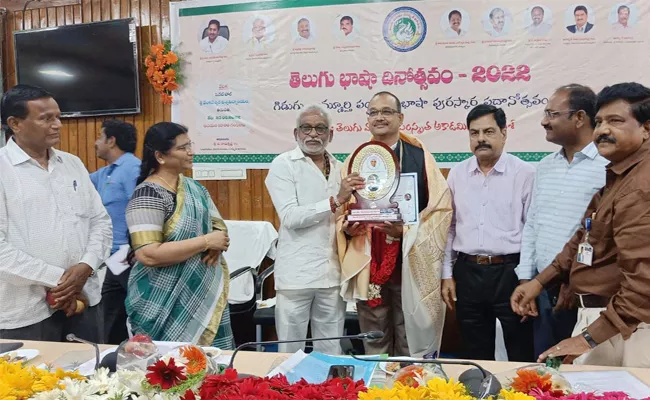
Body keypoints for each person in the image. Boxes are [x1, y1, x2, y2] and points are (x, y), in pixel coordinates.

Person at [511, 82, 650, 367]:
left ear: (646, 129)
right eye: (599, 121)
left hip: (629, 329)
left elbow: (643, 281)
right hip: (606, 323)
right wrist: (539, 281)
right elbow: (583, 239)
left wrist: (586, 339)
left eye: (616, 121)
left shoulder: (640, 187)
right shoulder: (619, 176)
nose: (602, 130)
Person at [337, 91, 452, 357]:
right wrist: (347, 226)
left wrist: (407, 231)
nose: (379, 117)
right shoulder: (355, 158)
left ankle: (408, 387)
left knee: (408, 333)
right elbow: (342, 209)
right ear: (367, 120)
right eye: (373, 112)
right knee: (373, 333)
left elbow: (441, 208)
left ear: (400, 118)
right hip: (369, 259)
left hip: (408, 259)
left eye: (386, 112)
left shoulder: (419, 156)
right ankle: (376, 387)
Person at [0, 84, 112, 342]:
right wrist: (61, 280)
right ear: (15, 123)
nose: (57, 125)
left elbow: (100, 222)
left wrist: (86, 266)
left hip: (84, 300)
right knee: (31, 381)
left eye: (58, 117)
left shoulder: (71, 164)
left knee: (91, 378)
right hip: (24, 312)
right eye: (46, 118)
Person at [516, 84, 608, 359]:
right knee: (546, 368)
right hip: (543, 290)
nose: (544, 121)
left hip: (587, 296)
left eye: (552, 114)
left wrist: (576, 279)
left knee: (583, 374)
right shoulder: (544, 166)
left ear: (579, 118)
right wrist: (527, 280)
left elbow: (604, 235)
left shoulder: (607, 165)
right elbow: (532, 223)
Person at [125, 122, 233, 347]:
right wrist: (205, 242)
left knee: (213, 372)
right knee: (168, 372)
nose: (191, 152)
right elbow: (148, 254)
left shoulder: (195, 189)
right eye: (183, 148)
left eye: (190, 145)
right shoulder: (147, 194)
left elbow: (219, 229)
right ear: (160, 156)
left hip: (201, 294)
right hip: (160, 301)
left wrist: (216, 242)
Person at [265, 106, 363, 354]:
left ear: (330, 135)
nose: (313, 134)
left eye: (320, 129)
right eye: (306, 128)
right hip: (296, 276)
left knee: (330, 350)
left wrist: (350, 227)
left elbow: (341, 218)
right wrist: (336, 201)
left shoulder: (341, 168)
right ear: (296, 133)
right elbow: (290, 217)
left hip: (332, 273)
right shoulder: (283, 165)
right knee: (290, 351)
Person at [441, 104, 536, 362]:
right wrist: (447, 274)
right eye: (474, 133)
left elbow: (531, 230)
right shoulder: (457, 174)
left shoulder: (524, 173)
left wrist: (527, 280)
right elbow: (449, 227)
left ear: (504, 133)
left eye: (489, 131)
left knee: (520, 349)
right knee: (474, 351)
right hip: (467, 272)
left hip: (510, 272)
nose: (481, 139)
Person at [91, 119, 141, 345]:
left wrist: (137, 247)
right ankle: (112, 357)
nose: (95, 143)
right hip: (113, 255)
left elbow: (141, 207)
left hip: (128, 253)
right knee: (111, 309)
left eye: (99, 137)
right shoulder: (106, 173)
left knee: (137, 309)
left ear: (111, 141)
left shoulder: (132, 168)